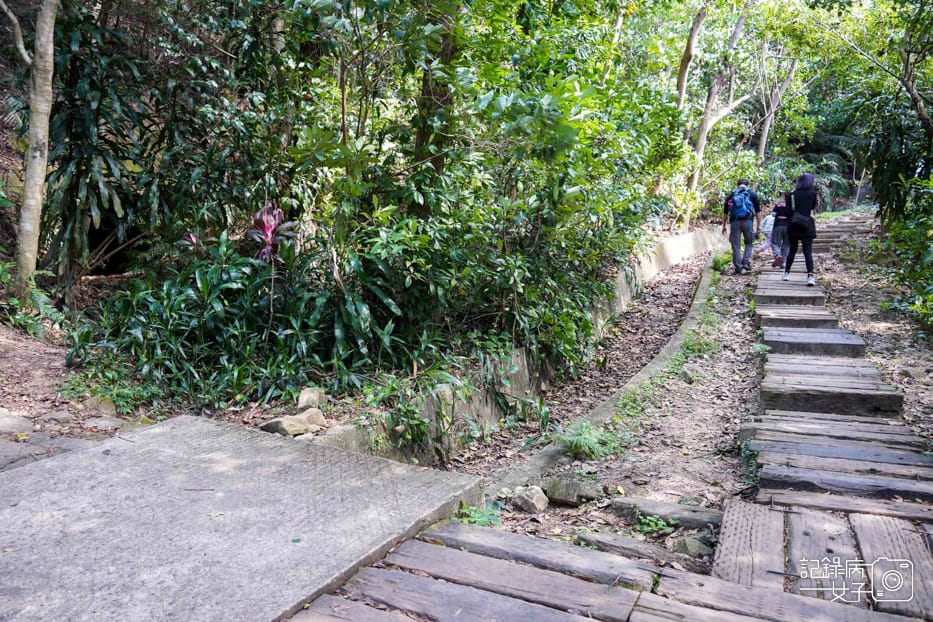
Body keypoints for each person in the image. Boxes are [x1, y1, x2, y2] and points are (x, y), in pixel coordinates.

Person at [783, 173, 819, 286]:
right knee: (807, 252)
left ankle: (786, 273)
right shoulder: (813, 194)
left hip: (793, 226)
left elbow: (787, 210)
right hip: (807, 226)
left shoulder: (791, 195)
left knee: (792, 250)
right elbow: (812, 207)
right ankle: (810, 276)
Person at [721, 179, 762, 275]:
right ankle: (746, 263)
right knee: (749, 243)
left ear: (737, 185)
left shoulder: (731, 195)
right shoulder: (752, 194)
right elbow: (758, 212)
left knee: (736, 246)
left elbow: (725, 213)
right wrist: (758, 226)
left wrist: (723, 226)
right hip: (748, 222)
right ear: (748, 185)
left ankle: (738, 268)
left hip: (734, 222)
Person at [770, 196, 792, 268]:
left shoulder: (779, 204)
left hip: (778, 225)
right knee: (787, 244)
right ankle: (782, 262)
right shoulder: (792, 205)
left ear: (784, 197)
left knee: (775, 242)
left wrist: (779, 215)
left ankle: (777, 255)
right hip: (788, 227)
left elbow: (773, 214)